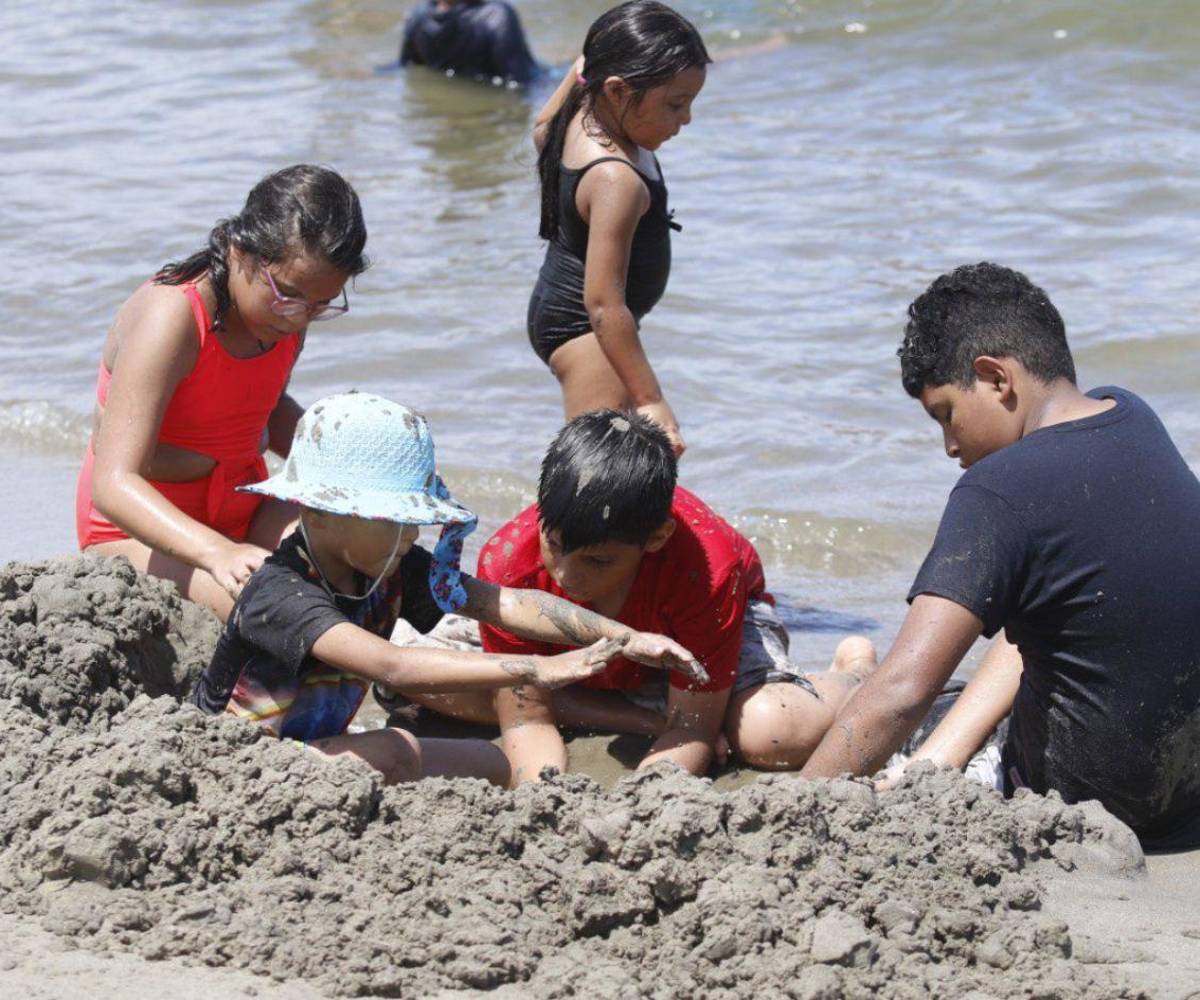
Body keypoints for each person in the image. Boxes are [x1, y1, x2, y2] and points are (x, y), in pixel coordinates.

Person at [801, 262, 1200, 850]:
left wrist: (789, 813)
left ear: (995, 378)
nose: (950, 447)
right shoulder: (1133, 416)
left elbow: (903, 692)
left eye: (946, 415)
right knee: (1048, 607)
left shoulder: (1000, 488)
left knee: (841, 720)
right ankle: (924, 739)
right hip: (1182, 797)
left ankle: (852, 682)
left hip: (1077, 806)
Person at [191, 391, 702, 786]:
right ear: (319, 512)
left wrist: (625, 637)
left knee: (493, 765)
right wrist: (540, 668)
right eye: (396, 520)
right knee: (395, 749)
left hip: (312, 744)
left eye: (416, 520)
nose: (412, 535)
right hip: (241, 765)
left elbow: (503, 602)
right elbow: (393, 665)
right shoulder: (281, 593)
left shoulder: (388, 565)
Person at [476, 410, 878, 784]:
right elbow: (525, 719)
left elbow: (693, 728)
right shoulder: (508, 565)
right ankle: (644, 716)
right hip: (597, 666)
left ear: (656, 538)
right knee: (439, 681)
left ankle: (854, 672)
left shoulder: (704, 572)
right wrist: (541, 796)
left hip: (698, 644)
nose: (565, 575)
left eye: (597, 561)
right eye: (555, 545)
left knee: (769, 731)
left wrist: (642, 803)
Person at [76, 164, 368, 622]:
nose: (299, 318)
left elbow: (265, 415)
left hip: (244, 513)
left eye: (321, 305)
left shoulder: (283, 319)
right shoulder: (172, 318)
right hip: (139, 535)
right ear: (239, 251)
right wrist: (217, 552)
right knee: (285, 613)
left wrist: (355, 471)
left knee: (365, 561)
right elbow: (113, 485)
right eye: (288, 295)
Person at [527, 1, 709, 456]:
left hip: (570, 314)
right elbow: (605, 305)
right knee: (599, 477)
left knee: (611, 479)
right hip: (587, 333)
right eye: (675, 104)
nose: (685, 119)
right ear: (617, 90)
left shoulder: (580, 110)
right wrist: (652, 399)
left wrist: (585, 61)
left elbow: (541, 130)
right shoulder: (615, 179)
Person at [399, 0, 543, 86]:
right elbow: (521, 83)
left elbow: (405, 65)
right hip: (488, 109)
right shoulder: (496, 16)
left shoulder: (418, 15)